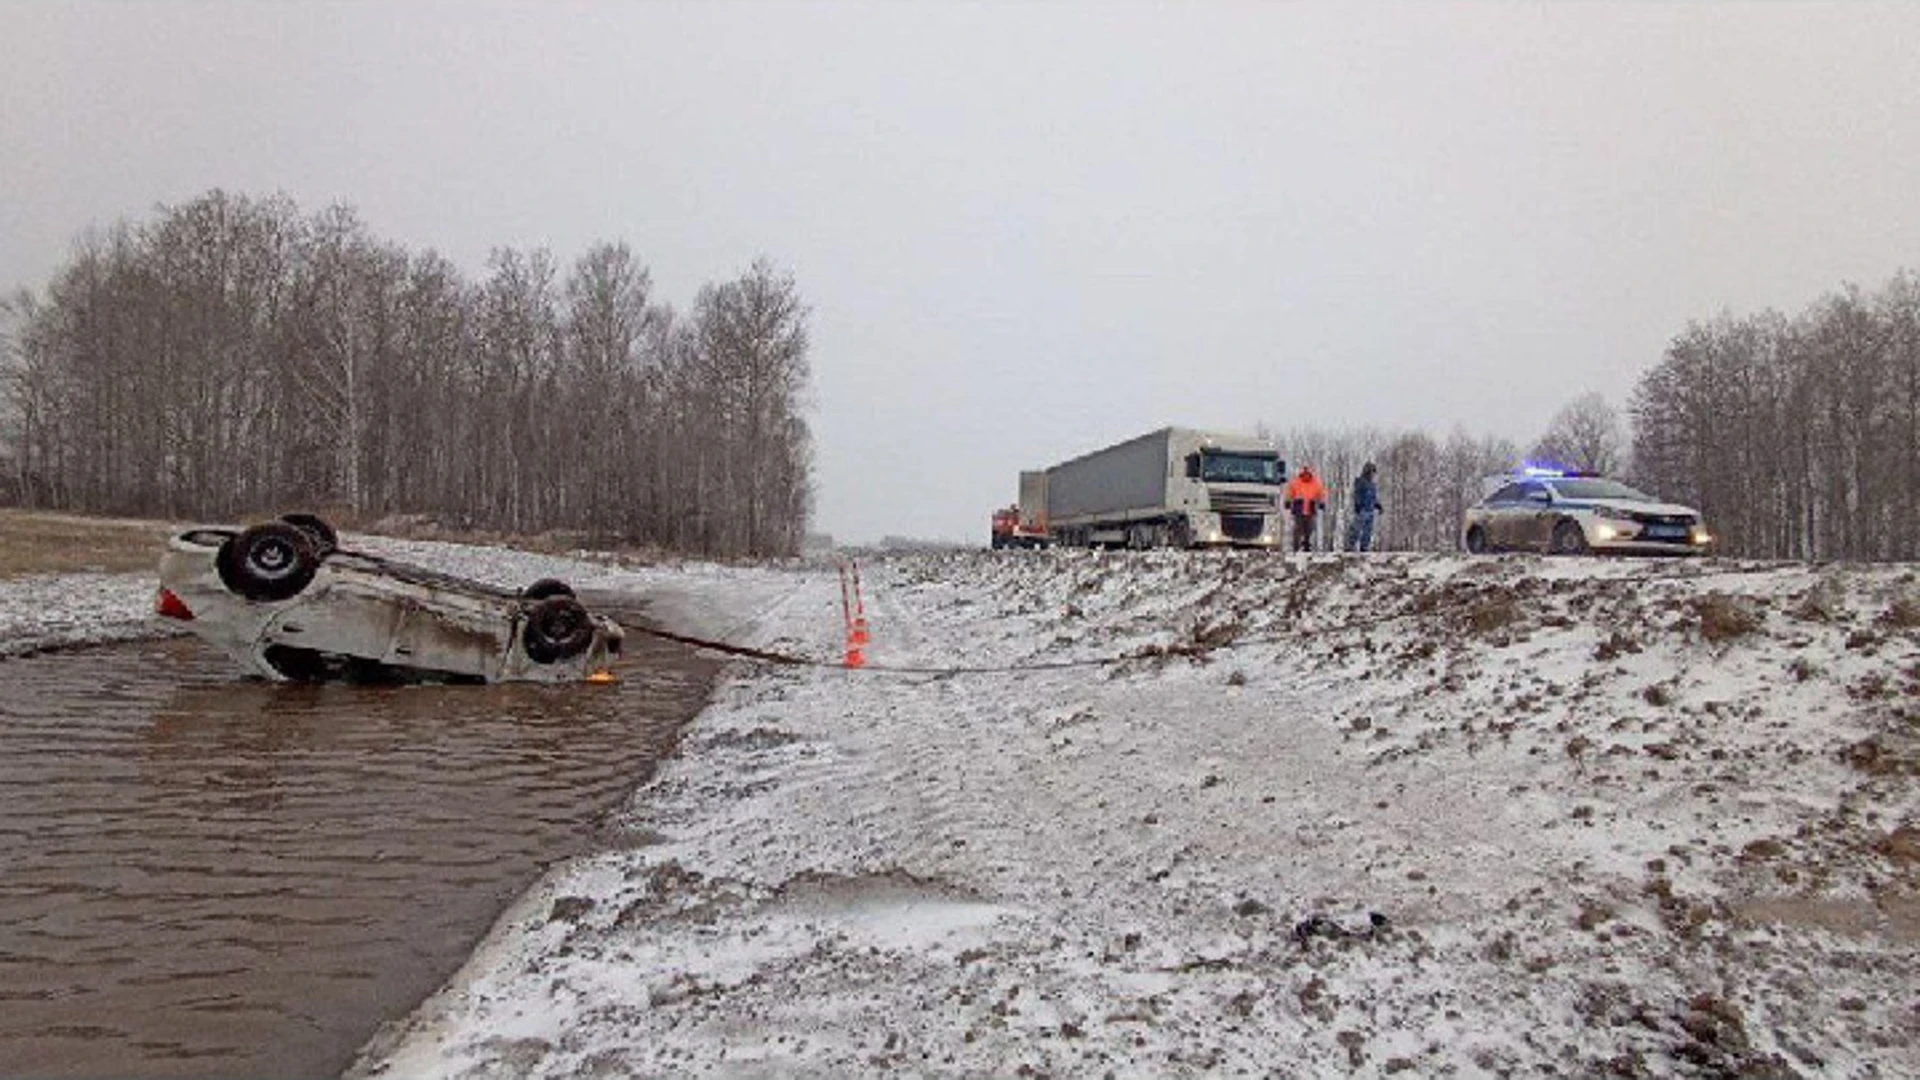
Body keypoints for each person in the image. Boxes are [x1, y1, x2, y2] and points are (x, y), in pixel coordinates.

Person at [1284, 465, 1327, 552]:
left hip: (1310, 508)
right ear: (1302, 474)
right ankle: (1295, 547)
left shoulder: (1315, 483)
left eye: (1307, 474)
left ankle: (1307, 546)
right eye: (1304, 474)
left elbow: (1321, 493)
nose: (1306, 476)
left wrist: (1322, 502)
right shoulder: (1295, 483)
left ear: (1310, 474)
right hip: (1298, 508)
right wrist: (1287, 501)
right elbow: (1289, 492)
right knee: (1298, 528)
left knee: (1309, 529)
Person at [1345, 461, 1382, 552]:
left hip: (1370, 510)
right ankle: (1350, 545)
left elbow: (1373, 497)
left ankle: (1364, 547)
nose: (1373, 474)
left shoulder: (1372, 484)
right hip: (1362, 509)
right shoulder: (1360, 481)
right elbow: (1357, 494)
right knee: (1356, 528)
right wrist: (1357, 504)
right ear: (1367, 471)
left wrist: (1378, 505)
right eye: (1372, 472)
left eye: (1374, 472)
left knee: (1368, 530)